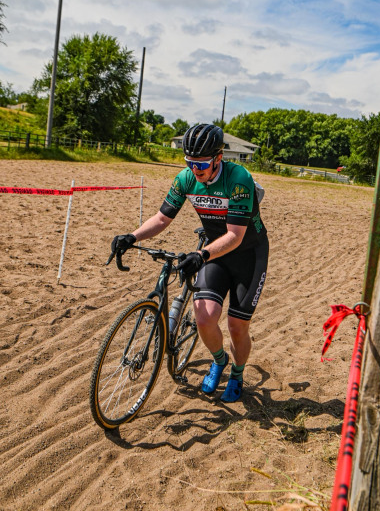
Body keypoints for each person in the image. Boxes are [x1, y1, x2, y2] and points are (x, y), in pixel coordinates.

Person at [111, 124, 269, 403]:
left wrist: (201, 255)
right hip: (215, 252)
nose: (195, 169)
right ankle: (219, 360)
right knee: (204, 318)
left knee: (236, 325)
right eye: (189, 162)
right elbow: (162, 218)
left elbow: (235, 235)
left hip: (248, 254)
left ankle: (237, 373)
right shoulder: (185, 179)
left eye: (201, 164)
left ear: (218, 158)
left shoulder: (238, 178)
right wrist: (132, 236)